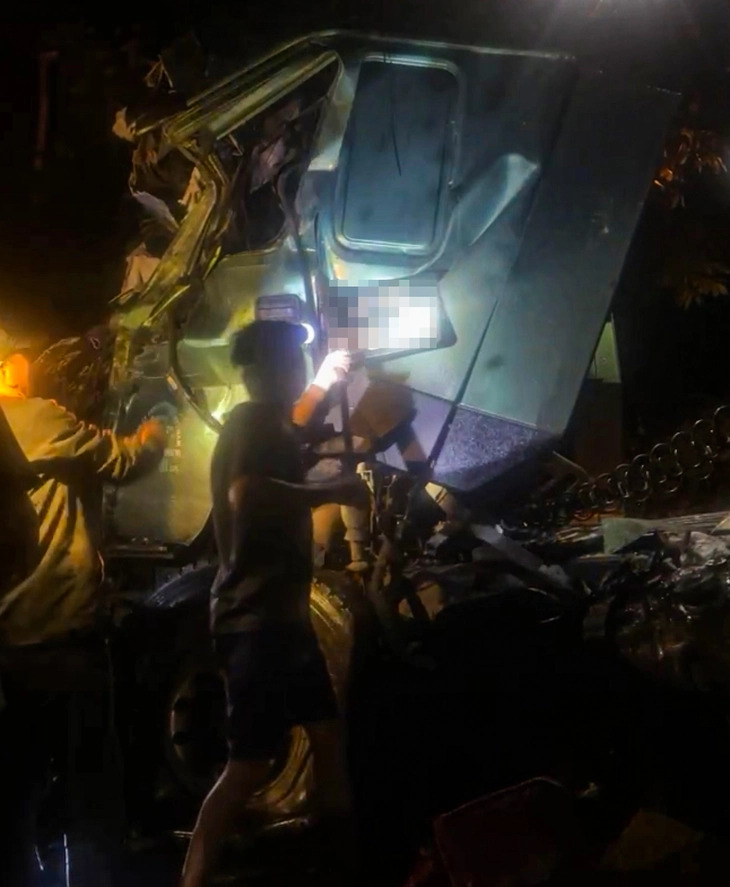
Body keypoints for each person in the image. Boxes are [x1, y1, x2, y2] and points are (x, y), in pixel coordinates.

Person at [180, 321, 368, 887]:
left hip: (283, 619)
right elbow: (248, 493)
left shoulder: (267, 422)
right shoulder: (251, 421)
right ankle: (193, 878)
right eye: (294, 362)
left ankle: (339, 858)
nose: (298, 371)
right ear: (265, 369)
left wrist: (329, 381)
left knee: (327, 736)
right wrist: (332, 491)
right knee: (250, 765)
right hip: (255, 619)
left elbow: (289, 441)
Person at [0, 345, 171, 887]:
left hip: (11, 637)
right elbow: (125, 461)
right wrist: (158, 426)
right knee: (89, 784)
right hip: (63, 633)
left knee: (17, 787)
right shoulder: (30, 415)